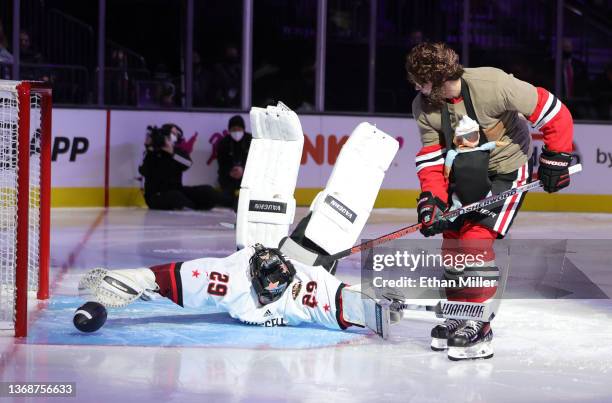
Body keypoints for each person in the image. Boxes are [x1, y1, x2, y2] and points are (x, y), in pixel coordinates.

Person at [406, 42, 574, 360]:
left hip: (509, 168)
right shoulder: (423, 107)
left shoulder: (493, 85)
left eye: (421, 81)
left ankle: (479, 321)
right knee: (453, 240)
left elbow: (554, 111)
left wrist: (556, 157)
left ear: (438, 77)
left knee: (475, 240)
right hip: (466, 170)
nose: (417, 87)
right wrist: (433, 200)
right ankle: (459, 310)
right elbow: (431, 157)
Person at [139, 125, 219, 211]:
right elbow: (142, 170)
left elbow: (188, 164)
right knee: (176, 197)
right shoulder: (152, 152)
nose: (174, 136)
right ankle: (192, 206)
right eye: (173, 133)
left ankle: (197, 205)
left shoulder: (178, 152)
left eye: (176, 134)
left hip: (177, 190)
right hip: (156, 195)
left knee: (207, 191)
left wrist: (172, 153)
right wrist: (150, 150)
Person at [216, 115, 252, 209]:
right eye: (233, 129)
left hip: (248, 178)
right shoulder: (224, 143)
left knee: (247, 199)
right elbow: (221, 164)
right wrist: (230, 171)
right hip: (229, 179)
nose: (236, 132)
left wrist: (243, 170)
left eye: (239, 129)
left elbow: (256, 161)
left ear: (243, 129)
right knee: (225, 200)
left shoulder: (251, 141)